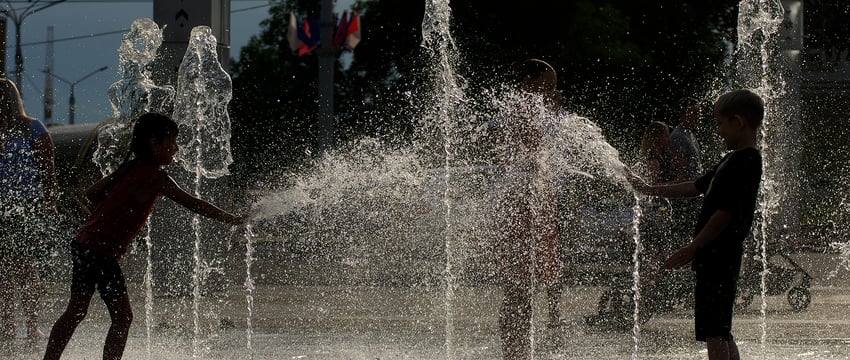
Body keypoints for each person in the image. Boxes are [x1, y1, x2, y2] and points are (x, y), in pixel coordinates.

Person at [42, 113, 244, 360]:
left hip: (85, 243)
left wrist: (114, 217)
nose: (176, 148)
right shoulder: (156, 177)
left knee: (76, 310)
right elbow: (195, 204)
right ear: (154, 143)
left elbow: (92, 192)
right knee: (122, 316)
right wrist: (232, 219)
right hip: (100, 251)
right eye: (172, 141)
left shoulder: (131, 167)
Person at [628, 89, 764, 360]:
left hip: (720, 254)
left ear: (739, 122)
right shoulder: (731, 159)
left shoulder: (746, 160)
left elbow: (725, 213)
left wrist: (692, 248)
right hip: (715, 255)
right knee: (721, 329)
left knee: (714, 330)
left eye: (720, 123)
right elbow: (694, 186)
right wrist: (649, 189)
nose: (718, 131)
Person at [494, 58, 563, 360]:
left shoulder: (528, 112)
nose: (550, 92)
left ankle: (519, 351)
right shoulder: (521, 111)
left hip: (531, 205)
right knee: (518, 289)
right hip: (522, 207)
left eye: (554, 87)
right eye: (546, 86)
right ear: (526, 84)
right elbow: (527, 160)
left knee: (524, 289)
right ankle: (515, 352)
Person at [0, 78, 57, 345]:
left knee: (24, 268)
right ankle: (7, 327)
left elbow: (48, 171)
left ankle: (32, 326)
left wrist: (49, 203)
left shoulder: (33, 128)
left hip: (24, 207)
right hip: (5, 207)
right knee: (5, 272)